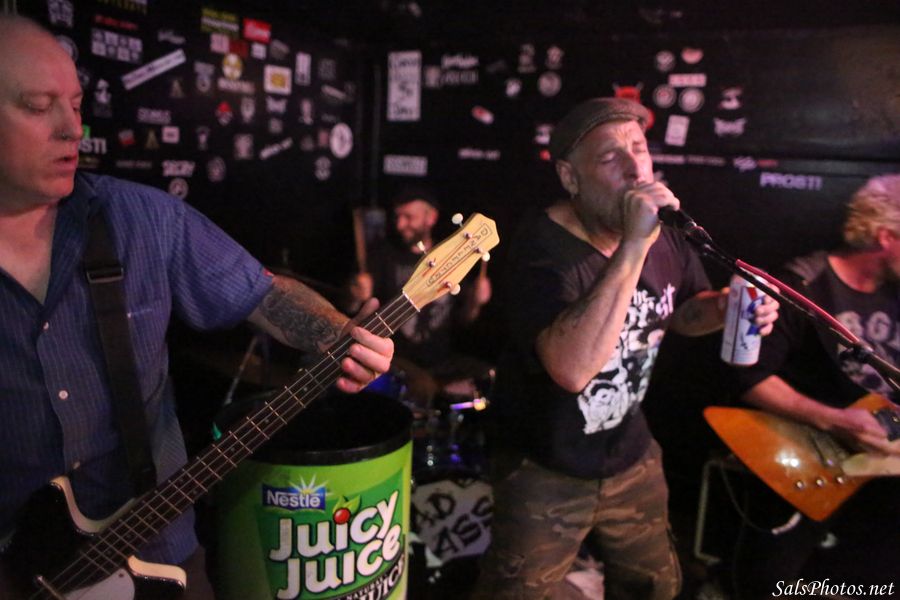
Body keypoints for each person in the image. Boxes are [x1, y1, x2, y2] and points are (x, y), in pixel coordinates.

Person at [0, 15, 393, 599]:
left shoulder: (143, 219)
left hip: (158, 553)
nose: (72, 128)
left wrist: (340, 334)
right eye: (38, 106)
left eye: (77, 104)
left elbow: (264, 294)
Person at [472, 97, 779, 600]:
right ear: (570, 177)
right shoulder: (540, 248)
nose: (636, 169)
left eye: (639, 149)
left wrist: (724, 308)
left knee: (654, 586)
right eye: (611, 157)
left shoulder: (665, 234)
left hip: (631, 457)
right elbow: (570, 369)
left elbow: (681, 313)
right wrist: (635, 245)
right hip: (545, 468)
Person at [731, 174, 900, 599]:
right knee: (774, 581)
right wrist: (834, 419)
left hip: (882, 471)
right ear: (886, 237)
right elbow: (749, 379)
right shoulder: (803, 285)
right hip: (812, 459)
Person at [347, 186, 492, 406]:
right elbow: (352, 312)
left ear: (430, 218)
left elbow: (464, 320)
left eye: (408, 217)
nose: (400, 224)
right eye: (397, 217)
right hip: (397, 359)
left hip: (440, 359)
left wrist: (476, 304)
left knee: (487, 377)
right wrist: (355, 295)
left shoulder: (449, 259)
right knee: (422, 385)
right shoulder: (383, 256)